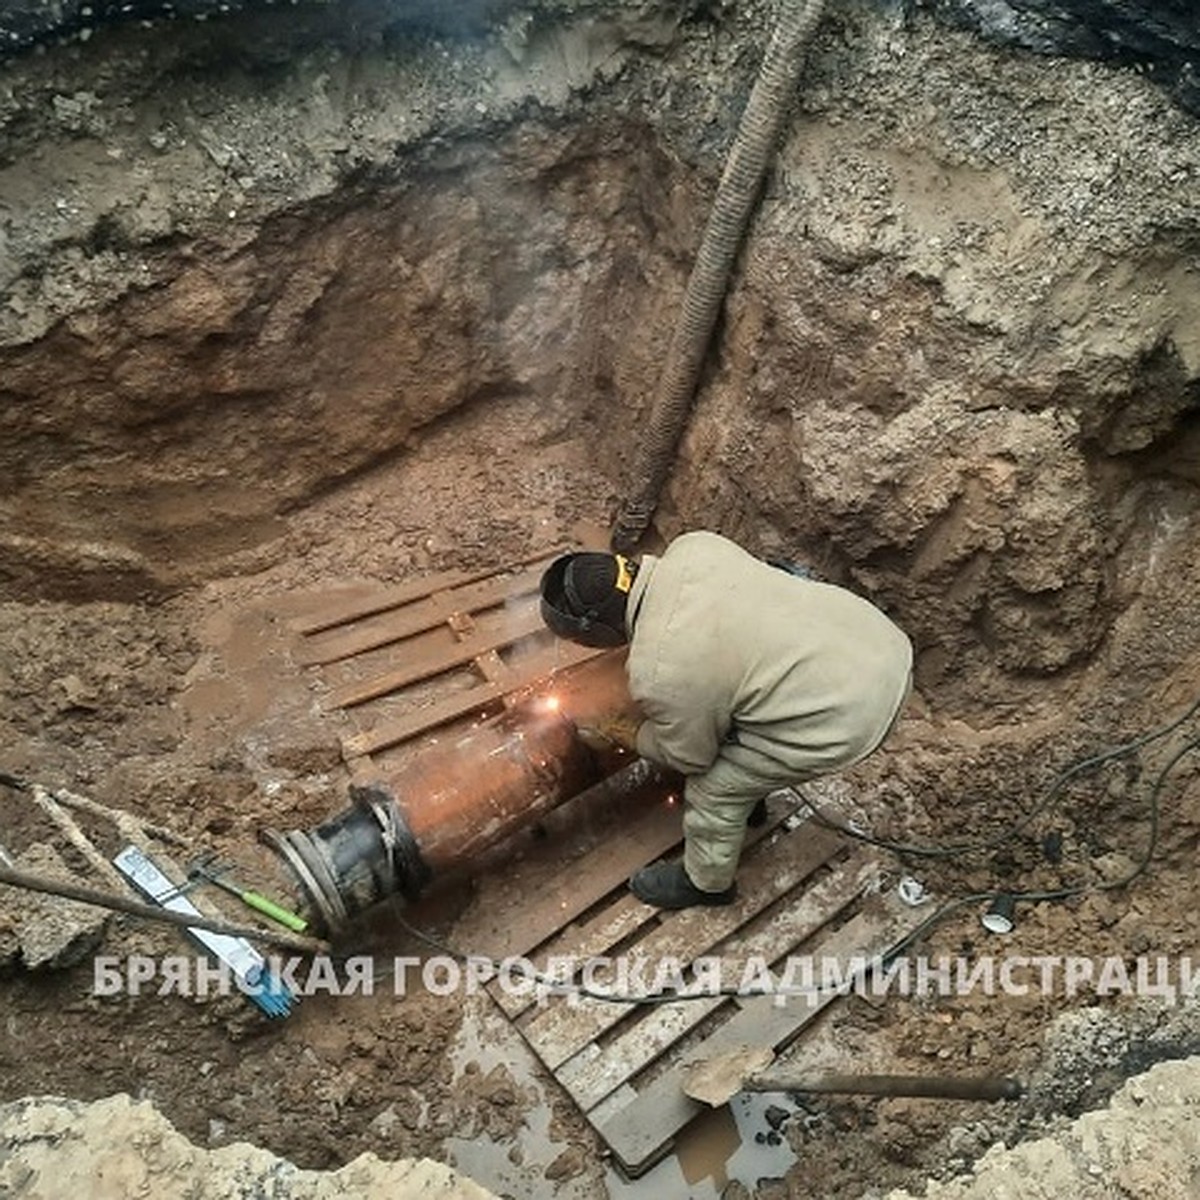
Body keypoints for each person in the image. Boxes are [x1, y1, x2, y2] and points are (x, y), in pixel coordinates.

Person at [539, 530, 913, 910]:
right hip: (875, 640)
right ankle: (754, 796)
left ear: (598, 631)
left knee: (714, 786)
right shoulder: (693, 547)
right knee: (738, 710)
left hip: (853, 714)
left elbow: (688, 758)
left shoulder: (660, 671)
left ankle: (705, 883)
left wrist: (624, 730)